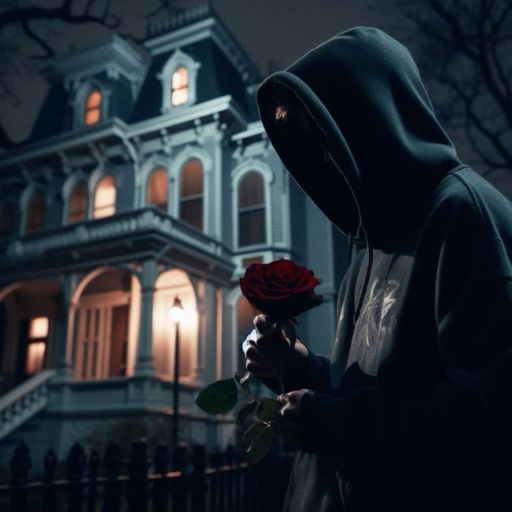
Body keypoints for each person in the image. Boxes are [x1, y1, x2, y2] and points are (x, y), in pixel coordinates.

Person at [242, 26, 512, 512]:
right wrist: (301, 367)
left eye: (325, 134)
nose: (322, 159)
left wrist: (340, 426)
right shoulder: (368, 239)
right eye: (304, 141)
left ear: (373, 117)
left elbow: (489, 418)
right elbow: (375, 386)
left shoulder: (463, 216)